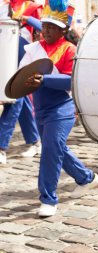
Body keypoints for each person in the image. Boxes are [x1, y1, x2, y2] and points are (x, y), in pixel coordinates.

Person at [20, 0, 98, 217]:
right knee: (57, 149)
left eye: (51, 26)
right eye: (44, 25)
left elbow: (72, 80)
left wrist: (44, 80)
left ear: (63, 30)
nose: (45, 30)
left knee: (49, 151)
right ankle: (86, 178)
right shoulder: (36, 47)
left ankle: (48, 198)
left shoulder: (69, 49)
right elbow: (22, 73)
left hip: (62, 110)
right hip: (41, 109)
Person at [0, 0, 42, 165]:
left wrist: (26, 19)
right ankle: (35, 141)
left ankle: (1, 146)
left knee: (14, 97)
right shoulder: (4, 5)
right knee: (20, 98)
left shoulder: (33, 7)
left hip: (24, 53)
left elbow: (42, 28)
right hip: (6, 52)